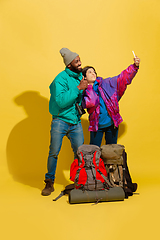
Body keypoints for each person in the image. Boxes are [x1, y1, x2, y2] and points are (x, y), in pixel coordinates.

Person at [41, 48, 88, 196]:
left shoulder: (80, 76)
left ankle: (79, 181)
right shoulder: (59, 79)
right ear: (69, 65)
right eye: (77, 61)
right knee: (54, 152)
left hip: (75, 121)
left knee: (80, 153)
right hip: (60, 121)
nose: (80, 63)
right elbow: (61, 102)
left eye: (80, 59)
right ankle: (49, 182)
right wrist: (78, 88)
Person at [82, 55, 140, 147]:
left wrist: (134, 67)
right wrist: (89, 86)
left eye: (94, 72)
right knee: (94, 152)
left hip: (111, 124)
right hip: (96, 127)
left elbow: (121, 78)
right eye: (90, 72)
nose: (93, 73)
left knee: (112, 153)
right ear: (84, 77)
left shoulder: (106, 83)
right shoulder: (84, 92)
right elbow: (92, 102)